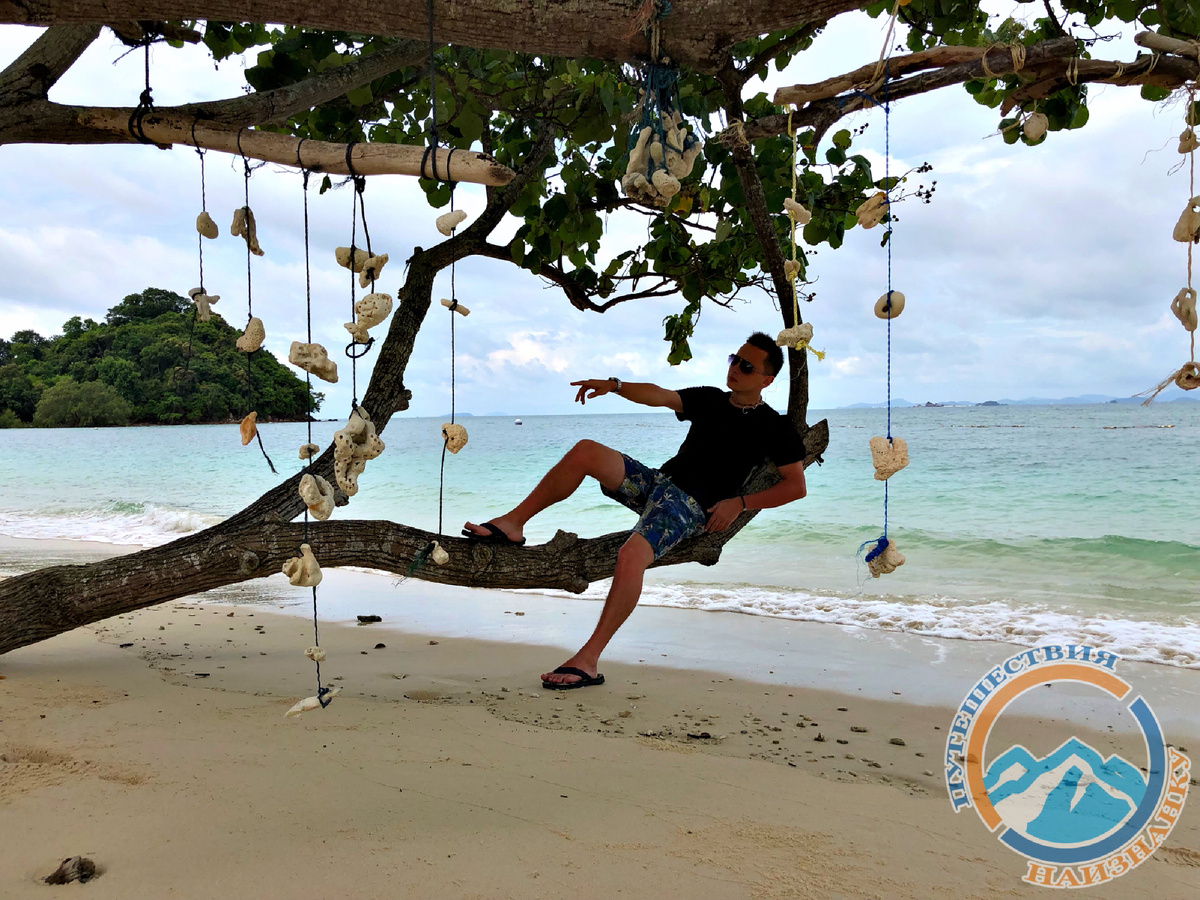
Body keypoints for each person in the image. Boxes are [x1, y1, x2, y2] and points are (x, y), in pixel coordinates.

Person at [462, 332, 808, 689]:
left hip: (690, 508)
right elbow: (658, 395)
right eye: (734, 359)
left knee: (631, 556)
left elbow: (795, 486)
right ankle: (513, 524)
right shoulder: (711, 399)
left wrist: (740, 503)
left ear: (766, 380)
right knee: (586, 451)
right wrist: (614, 385)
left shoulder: (773, 426)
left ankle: (588, 659)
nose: (736, 368)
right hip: (658, 485)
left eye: (747, 366)